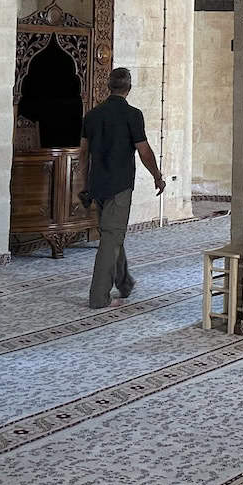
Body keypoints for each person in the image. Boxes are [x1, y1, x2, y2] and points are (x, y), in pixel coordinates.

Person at [81, 66, 166, 309]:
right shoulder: (133, 115)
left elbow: (83, 153)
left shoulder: (92, 115)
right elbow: (144, 151)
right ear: (129, 88)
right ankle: (98, 297)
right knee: (111, 236)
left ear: (109, 86)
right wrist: (157, 176)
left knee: (112, 233)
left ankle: (124, 282)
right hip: (119, 186)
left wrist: (83, 185)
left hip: (97, 185)